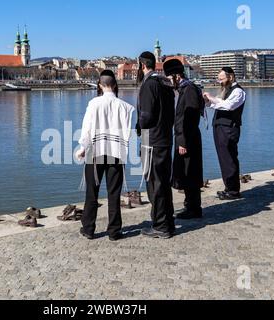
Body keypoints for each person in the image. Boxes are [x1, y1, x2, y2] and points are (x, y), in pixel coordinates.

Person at [76, 70, 135, 241]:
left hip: (95, 153)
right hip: (116, 154)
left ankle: (88, 229)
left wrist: (82, 148)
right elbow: (127, 135)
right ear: (115, 85)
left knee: (92, 193)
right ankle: (114, 231)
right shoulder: (126, 107)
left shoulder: (93, 104)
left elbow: (86, 129)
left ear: (100, 85)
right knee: (114, 193)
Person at [136, 52, 176, 239]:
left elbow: (147, 115)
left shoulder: (149, 84)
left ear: (142, 65)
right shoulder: (164, 83)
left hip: (152, 141)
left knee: (155, 184)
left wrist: (139, 126)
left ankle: (160, 226)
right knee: (163, 182)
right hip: (165, 138)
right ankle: (168, 221)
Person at [164, 58, 204, 219]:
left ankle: (193, 208)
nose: (169, 82)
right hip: (188, 137)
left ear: (175, 75)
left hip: (188, 139)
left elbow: (188, 119)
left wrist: (182, 141)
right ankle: (191, 206)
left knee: (189, 172)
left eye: (169, 78)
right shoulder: (187, 88)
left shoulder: (188, 90)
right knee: (188, 172)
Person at [203, 67, 246, 201]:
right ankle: (229, 187)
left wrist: (212, 98)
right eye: (219, 79)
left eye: (222, 79)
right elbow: (218, 104)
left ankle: (233, 191)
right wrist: (208, 102)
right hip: (220, 128)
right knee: (223, 159)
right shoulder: (226, 91)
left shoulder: (238, 91)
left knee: (229, 158)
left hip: (229, 129)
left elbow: (228, 106)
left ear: (231, 77)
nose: (220, 81)